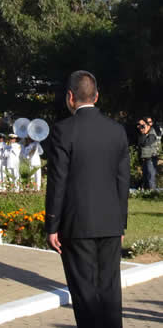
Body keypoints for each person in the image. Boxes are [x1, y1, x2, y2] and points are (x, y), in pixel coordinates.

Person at [46, 70, 129, 328]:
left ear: (70, 97)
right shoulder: (117, 131)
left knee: (84, 293)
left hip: (76, 224)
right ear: (97, 96)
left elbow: (58, 181)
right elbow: (122, 181)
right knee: (110, 291)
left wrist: (52, 225)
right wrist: (121, 223)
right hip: (110, 223)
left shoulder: (62, 131)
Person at [137, 118, 158, 189]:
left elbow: (146, 143)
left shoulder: (152, 133)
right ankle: (146, 195)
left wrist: (144, 133)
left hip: (151, 158)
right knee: (145, 177)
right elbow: (140, 143)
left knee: (151, 177)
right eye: (140, 125)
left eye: (143, 125)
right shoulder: (143, 134)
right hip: (145, 158)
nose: (141, 127)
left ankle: (152, 194)